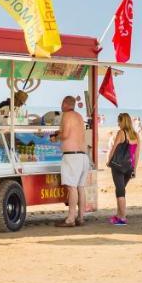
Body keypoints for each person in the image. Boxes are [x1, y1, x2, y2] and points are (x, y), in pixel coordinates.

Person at [54, 96, 89, 228]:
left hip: (72, 156)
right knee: (80, 187)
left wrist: (56, 136)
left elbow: (66, 135)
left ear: (64, 104)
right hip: (83, 156)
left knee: (72, 187)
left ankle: (70, 218)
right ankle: (80, 217)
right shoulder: (79, 116)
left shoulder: (66, 115)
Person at [107, 112, 139, 225]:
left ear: (122, 121)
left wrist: (108, 161)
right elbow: (136, 155)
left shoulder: (121, 133)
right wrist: (134, 169)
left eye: (118, 121)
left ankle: (122, 218)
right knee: (121, 189)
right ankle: (118, 215)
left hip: (118, 166)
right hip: (129, 167)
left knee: (120, 191)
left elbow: (114, 148)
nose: (118, 124)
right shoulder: (136, 135)